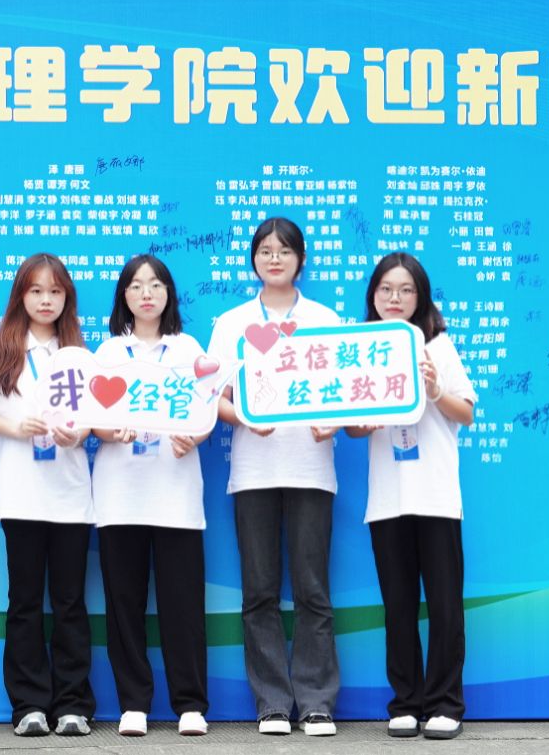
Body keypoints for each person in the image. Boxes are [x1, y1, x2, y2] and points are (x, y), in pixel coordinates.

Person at [206, 217, 341, 737]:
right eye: (265, 250)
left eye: (284, 250)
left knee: (313, 591)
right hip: (254, 470)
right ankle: (272, 704)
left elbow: (346, 389)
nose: (275, 258)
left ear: (300, 260)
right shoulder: (232, 323)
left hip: (311, 467)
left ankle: (316, 702)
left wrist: (333, 419)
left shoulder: (324, 319)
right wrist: (242, 417)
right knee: (259, 593)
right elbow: (210, 398)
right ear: (254, 260)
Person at [347, 252, 476, 741]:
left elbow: (466, 412)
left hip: (436, 496)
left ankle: (446, 704)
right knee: (397, 606)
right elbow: (354, 428)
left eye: (405, 290)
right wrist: (365, 420)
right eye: (386, 289)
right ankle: (405, 702)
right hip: (388, 499)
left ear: (420, 296)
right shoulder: (362, 349)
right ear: (373, 295)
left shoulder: (438, 345)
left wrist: (435, 388)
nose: (394, 298)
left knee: (444, 605)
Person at [0, 253, 95, 737]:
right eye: (36, 290)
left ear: (67, 298)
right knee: (23, 601)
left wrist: (77, 433)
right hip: (20, 494)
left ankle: (73, 704)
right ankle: (29, 706)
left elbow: (94, 418)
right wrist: (17, 428)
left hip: (70, 495)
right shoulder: (1, 344)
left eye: (55, 291)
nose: (46, 300)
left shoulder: (77, 351)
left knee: (69, 601)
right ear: (21, 294)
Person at [92, 255, 211, 738]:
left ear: (168, 294)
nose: (147, 293)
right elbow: (91, 417)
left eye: (156, 284)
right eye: (137, 285)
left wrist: (194, 437)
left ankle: (190, 704)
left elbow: (206, 409)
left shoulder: (187, 349)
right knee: (124, 602)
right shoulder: (107, 352)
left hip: (176, 492)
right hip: (120, 492)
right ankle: (134, 703)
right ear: (124, 295)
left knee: (183, 603)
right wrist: (109, 430)